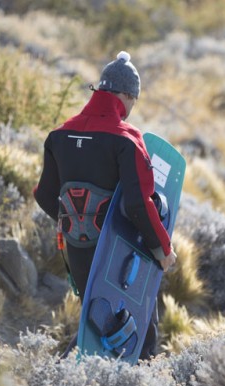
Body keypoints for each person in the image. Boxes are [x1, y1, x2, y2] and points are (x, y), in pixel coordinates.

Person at [34, 51, 177, 360]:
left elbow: (45, 195)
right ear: (126, 95)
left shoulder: (59, 135)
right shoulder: (127, 140)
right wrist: (162, 249)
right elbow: (139, 203)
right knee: (139, 331)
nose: (130, 109)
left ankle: (62, 376)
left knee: (96, 324)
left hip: (78, 248)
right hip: (118, 252)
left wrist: (72, 221)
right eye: (133, 101)